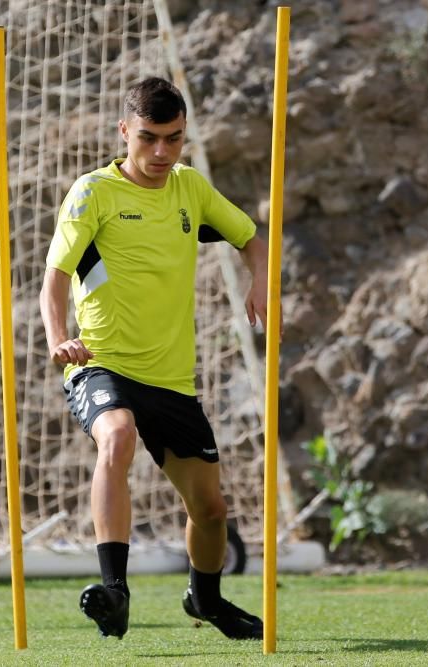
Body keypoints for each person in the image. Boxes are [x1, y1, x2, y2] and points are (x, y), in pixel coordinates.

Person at [39, 77, 272, 641]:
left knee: (211, 509)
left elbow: (251, 237)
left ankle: (205, 598)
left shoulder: (190, 189)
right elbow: (54, 281)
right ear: (125, 132)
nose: (162, 152)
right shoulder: (92, 193)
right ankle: (114, 592)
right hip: (100, 361)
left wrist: (260, 282)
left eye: (174, 139)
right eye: (149, 139)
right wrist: (57, 339)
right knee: (116, 437)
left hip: (169, 377)